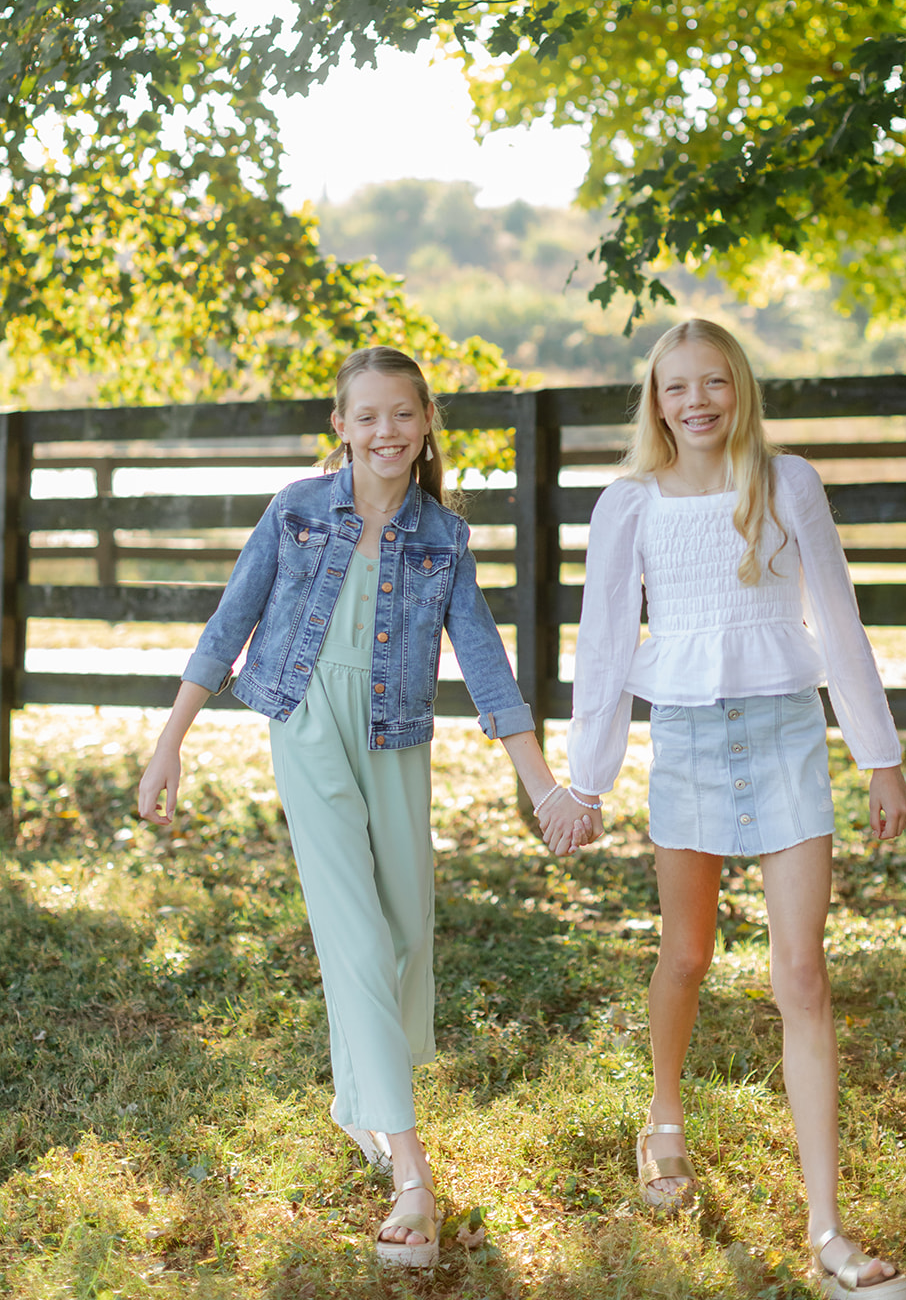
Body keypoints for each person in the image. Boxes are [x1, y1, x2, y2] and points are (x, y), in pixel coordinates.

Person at [138, 346, 593, 1270]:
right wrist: (170, 740)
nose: (385, 431)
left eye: (403, 414)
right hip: (306, 722)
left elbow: (487, 661)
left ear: (426, 423)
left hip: (396, 734)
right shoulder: (296, 513)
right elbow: (231, 622)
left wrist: (539, 781)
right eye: (367, 416)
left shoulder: (443, 537)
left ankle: (361, 1105)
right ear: (339, 427)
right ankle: (411, 1172)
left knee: (405, 936)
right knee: (352, 933)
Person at [567, 319, 906, 1299]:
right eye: (676, 387)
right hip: (683, 739)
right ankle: (663, 1116)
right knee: (685, 952)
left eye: (712, 382)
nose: (696, 402)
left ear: (738, 387)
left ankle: (827, 1231)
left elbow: (835, 621)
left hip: (784, 736)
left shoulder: (786, 481)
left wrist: (876, 755)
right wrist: (585, 777)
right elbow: (599, 647)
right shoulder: (625, 503)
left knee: (800, 973)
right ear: (655, 400)